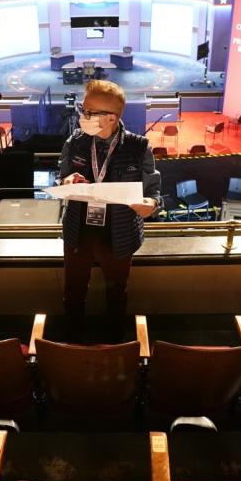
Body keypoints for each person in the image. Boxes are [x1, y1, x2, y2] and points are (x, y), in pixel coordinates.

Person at [58, 80, 161, 341]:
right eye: (84, 109)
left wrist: (152, 205)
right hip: (78, 234)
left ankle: (115, 344)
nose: (83, 115)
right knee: (73, 293)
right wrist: (66, 181)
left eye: (89, 112)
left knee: (117, 293)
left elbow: (154, 193)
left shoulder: (139, 147)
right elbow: (63, 175)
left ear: (111, 118)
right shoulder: (76, 141)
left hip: (119, 236)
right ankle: (71, 344)